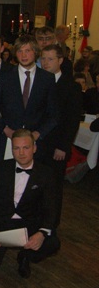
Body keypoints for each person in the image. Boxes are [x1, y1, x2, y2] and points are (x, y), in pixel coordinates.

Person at [0, 129, 60, 279]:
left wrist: (41, 233)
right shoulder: (0, 168)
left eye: (26, 147)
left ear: (34, 148)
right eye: (16, 148)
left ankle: (25, 256)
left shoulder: (46, 173)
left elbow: (51, 207)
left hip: (29, 223)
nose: (21, 153)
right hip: (3, 222)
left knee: (52, 243)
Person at [0, 35, 58, 162]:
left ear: (35, 52)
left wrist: (37, 134)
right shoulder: (5, 76)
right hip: (7, 139)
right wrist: (5, 130)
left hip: (36, 141)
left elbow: (54, 114)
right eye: (20, 51)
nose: (23, 55)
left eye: (27, 50)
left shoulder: (47, 79)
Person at [38, 45, 82, 226]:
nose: (46, 63)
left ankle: (50, 226)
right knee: (36, 185)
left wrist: (63, 146)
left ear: (60, 60)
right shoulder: (38, 82)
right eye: (43, 59)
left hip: (57, 146)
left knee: (54, 187)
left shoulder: (71, 86)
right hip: (38, 144)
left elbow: (72, 120)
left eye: (50, 59)